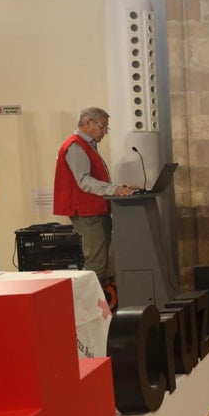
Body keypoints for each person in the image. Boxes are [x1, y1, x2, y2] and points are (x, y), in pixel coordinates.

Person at [52, 106, 138, 287]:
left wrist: (120, 188)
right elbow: (84, 181)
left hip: (95, 210)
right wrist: (113, 189)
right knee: (96, 265)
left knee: (102, 263)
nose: (105, 132)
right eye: (103, 126)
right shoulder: (75, 146)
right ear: (88, 123)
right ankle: (86, 308)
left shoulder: (86, 145)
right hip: (87, 213)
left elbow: (93, 179)